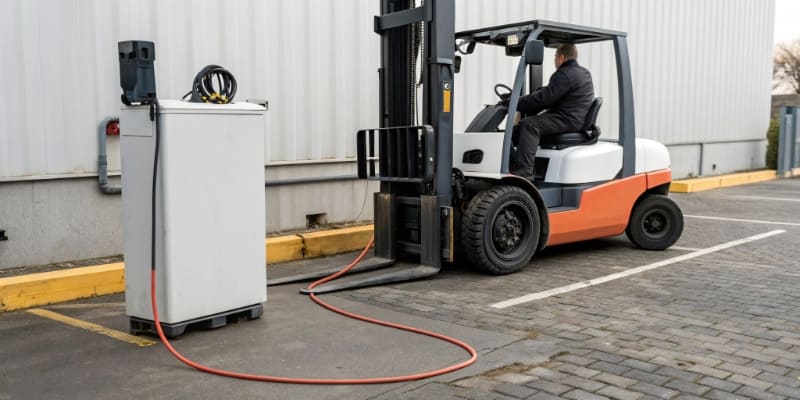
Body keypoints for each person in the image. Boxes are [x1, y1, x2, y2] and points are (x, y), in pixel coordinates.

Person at [507, 43, 594, 180]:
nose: (555, 60)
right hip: (574, 118)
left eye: (555, 57)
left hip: (567, 119)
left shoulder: (564, 74)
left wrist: (514, 103)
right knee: (515, 132)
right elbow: (548, 93)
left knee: (529, 125)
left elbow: (542, 100)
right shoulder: (583, 72)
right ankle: (514, 164)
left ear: (561, 57)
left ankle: (524, 172)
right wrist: (525, 100)